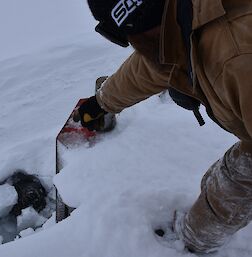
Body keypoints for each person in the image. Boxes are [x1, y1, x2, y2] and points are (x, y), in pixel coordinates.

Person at [77, 0, 252, 253]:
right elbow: (153, 67)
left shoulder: (236, 59)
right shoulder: (185, 18)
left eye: (131, 37)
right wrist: (103, 102)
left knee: (236, 180)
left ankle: (192, 240)